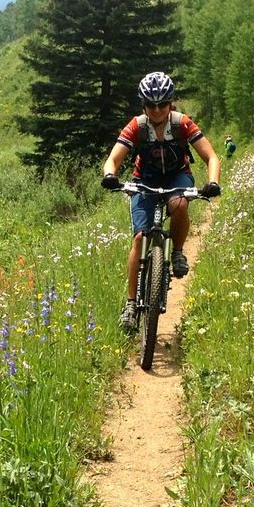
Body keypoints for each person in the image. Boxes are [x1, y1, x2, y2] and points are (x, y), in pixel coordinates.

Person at [101, 71, 222, 331]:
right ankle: (131, 305)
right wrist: (110, 175)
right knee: (138, 238)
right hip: (144, 178)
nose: (157, 110)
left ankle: (177, 252)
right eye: (151, 104)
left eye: (162, 104)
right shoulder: (136, 126)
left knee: (179, 203)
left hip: (178, 176)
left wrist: (212, 182)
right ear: (144, 105)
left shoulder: (182, 123)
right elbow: (113, 158)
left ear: (170, 103)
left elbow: (211, 157)